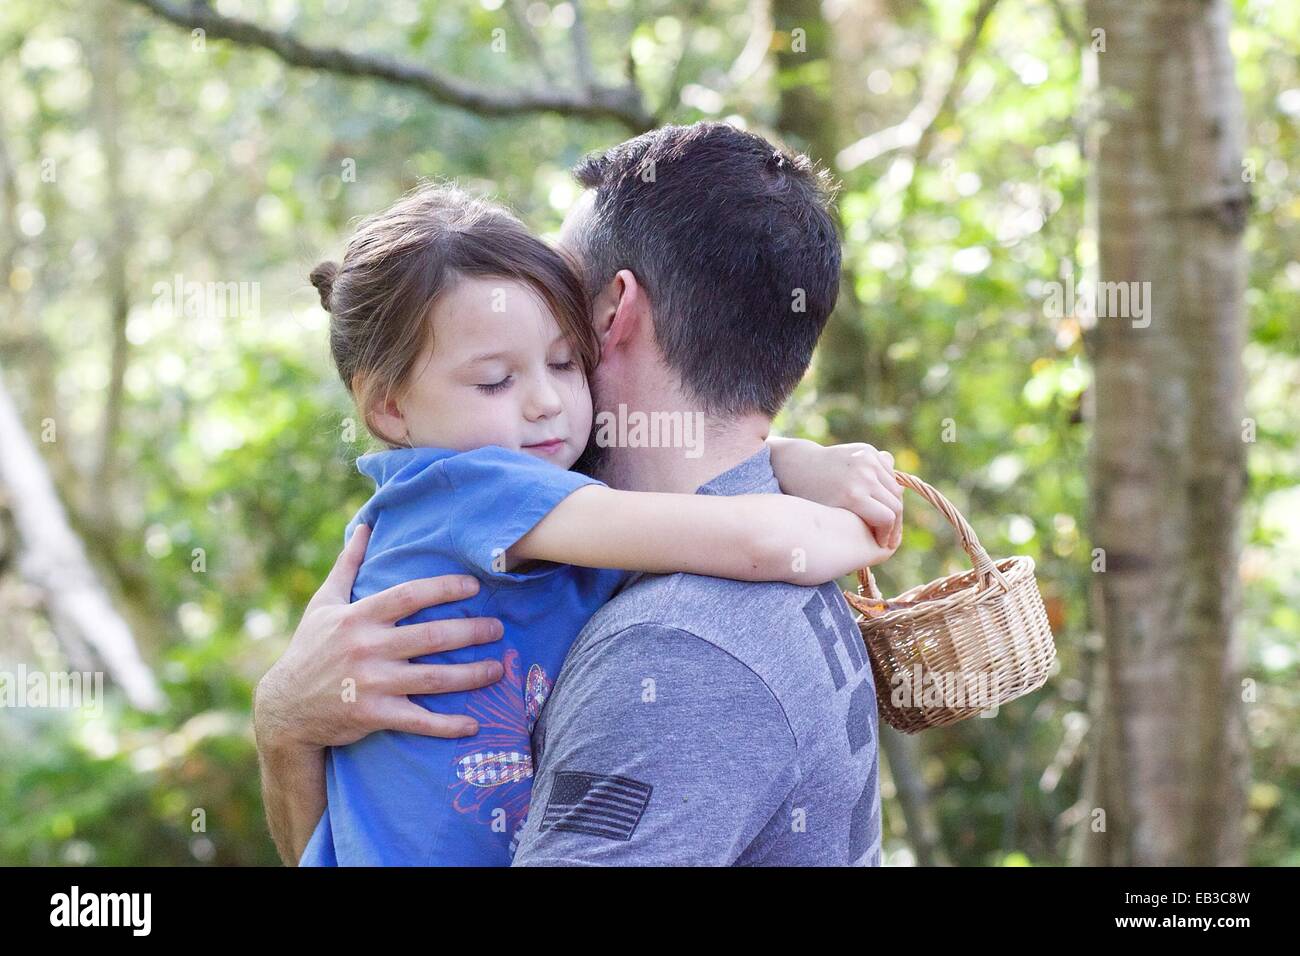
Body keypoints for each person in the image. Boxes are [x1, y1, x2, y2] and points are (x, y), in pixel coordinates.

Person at [256, 122, 899, 866]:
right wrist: (851, 520)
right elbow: (751, 536)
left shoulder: (672, 650)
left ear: (611, 314)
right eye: (495, 378)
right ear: (390, 407)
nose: (542, 403)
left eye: (561, 357)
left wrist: (282, 727)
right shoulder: (503, 498)